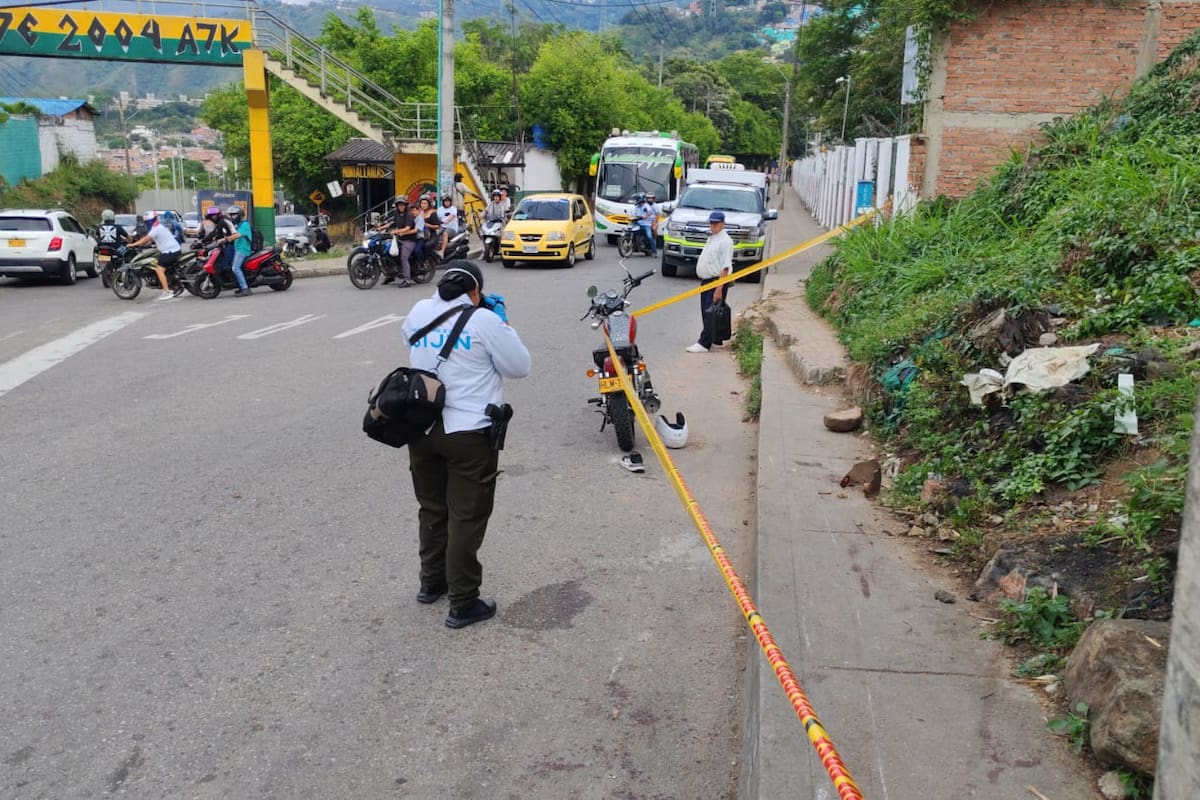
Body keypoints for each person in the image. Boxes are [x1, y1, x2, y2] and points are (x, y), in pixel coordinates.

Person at [401, 261, 532, 629]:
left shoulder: (419, 311)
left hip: (421, 429)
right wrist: (501, 321)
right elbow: (520, 366)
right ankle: (463, 601)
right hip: (469, 435)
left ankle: (431, 583)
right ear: (475, 292)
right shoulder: (484, 321)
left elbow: (410, 338)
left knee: (432, 507)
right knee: (466, 516)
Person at [686, 211, 733, 353]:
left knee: (709, 312)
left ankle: (704, 343)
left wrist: (719, 288)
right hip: (707, 281)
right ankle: (715, 338)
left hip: (715, 281)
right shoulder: (713, 237)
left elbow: (725, 266)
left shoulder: (725, 241)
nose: (712, 226)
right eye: (711, 223)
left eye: (715, 223)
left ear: (722, 223)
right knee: (710, 312)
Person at [128, 212, 184, 300]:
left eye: (147, 221)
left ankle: (167, 291)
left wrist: (133, 244)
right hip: (173, 249)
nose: (147, 223)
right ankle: (172, 284)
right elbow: (154, 239)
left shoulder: (156, 229)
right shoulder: (158, 227)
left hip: (170, 251)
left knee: (159, 269)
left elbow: (145, 239)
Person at [222, 205, 254, 296]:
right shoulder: (238, 225)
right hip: (238, 249)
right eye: (231, 215)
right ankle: (241, 286)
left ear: (239, 215)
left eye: (234, 215)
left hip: (243, 250)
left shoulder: (245, 224)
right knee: (235, 267)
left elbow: (238, 235)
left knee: (235, 268)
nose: (232, 217)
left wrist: (227, 239)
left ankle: (245, 289)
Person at [388, 195, 418, 287]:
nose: (401, 206)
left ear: (405, 205)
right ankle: (391, 274)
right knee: (389, 253)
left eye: (402, 205)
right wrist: (380, 228)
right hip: (400, 239)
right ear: (397, 206)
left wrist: (396, 231)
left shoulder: (408, 215)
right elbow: (392, 223)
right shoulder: (397, 214)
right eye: (399, 205)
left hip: (409, 240)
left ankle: (407, 281)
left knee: (404, 258)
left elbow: (407, 228)